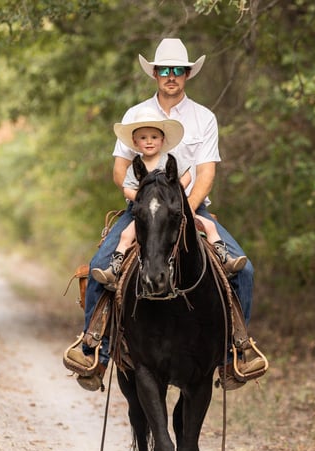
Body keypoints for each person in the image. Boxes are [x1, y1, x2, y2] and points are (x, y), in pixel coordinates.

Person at [65, 38, 266, 391]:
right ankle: (95, 351)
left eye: (178, 70)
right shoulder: (136, 115)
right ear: (155, 74)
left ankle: (235, 352)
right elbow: (119, 170)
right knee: (100, 265)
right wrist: (140, 201)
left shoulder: (204, 118)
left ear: (187, 74)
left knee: (243, 270)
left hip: (190, 209)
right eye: (165, 70)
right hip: (142, 210)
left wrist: (181, 212)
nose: (171, 76)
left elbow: (205, 174)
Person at [91, 107, 247, 289]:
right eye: (143, 138)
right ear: (135, 142)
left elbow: (188, 175)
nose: (149, 142)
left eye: (154, 137)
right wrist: (143, 200)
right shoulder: (137, 165)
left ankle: (225, 258)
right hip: (143, 212)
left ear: (162, 139)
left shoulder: (170, 159)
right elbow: (126, 188)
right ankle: (114, 268)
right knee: (126, 235)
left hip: (176, 208)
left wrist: (176, 193)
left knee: (210, 226)